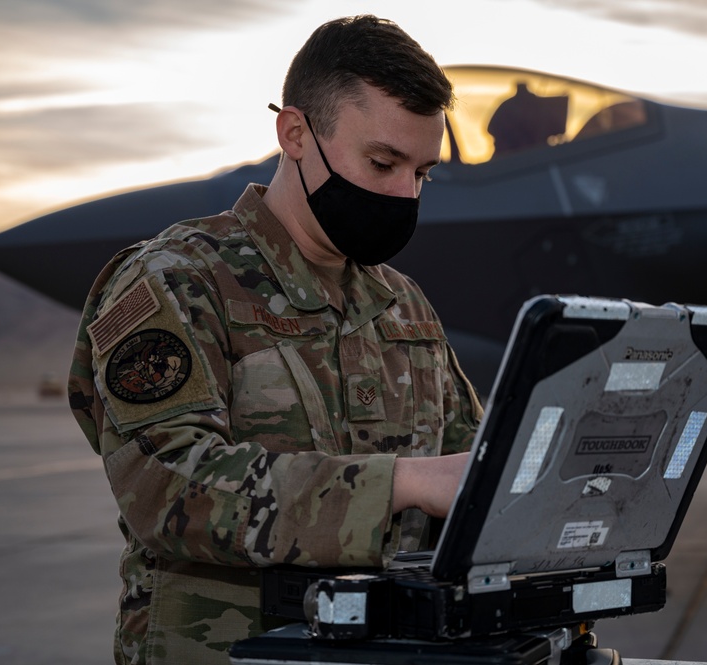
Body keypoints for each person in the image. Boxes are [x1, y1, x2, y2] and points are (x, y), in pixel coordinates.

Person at [67, 15, 484, 665]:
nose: (404, 193)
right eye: (383, 162)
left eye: (422, 172)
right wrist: (400, 482)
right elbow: (168, 490)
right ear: (295, 133)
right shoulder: (176, 278)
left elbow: (465, 473)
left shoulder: (402, 304)